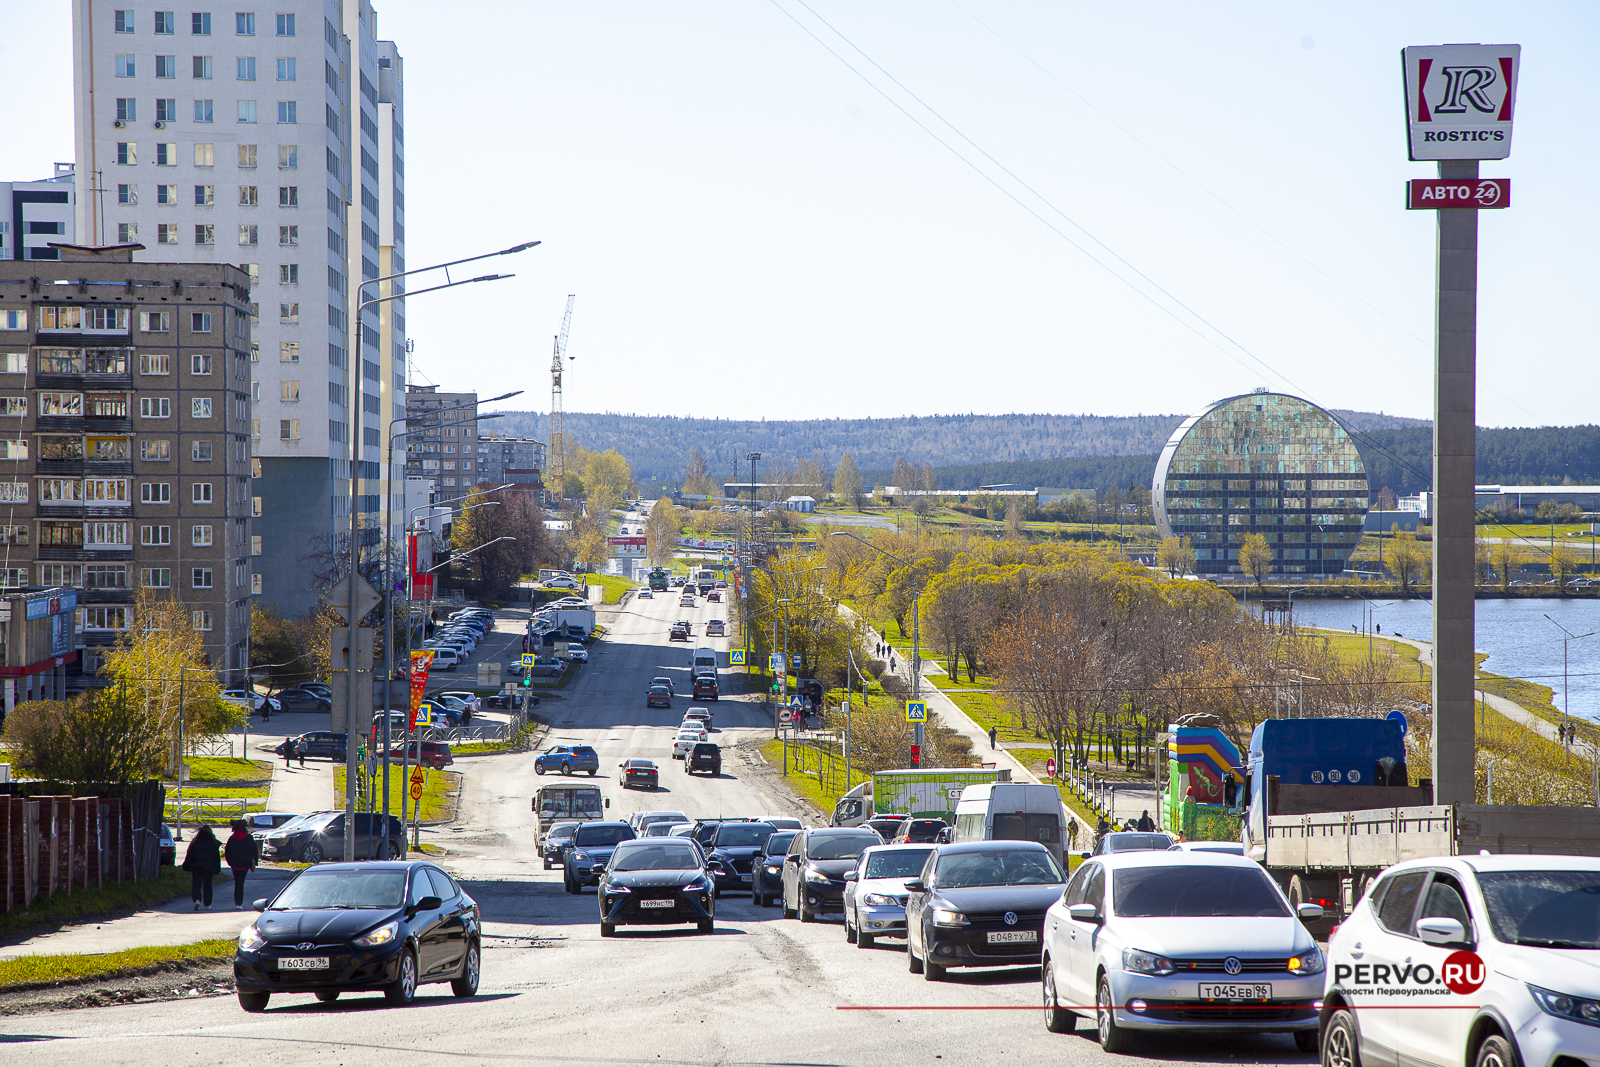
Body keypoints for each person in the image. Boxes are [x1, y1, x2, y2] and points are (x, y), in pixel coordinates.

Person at [182, 824, 222, 910]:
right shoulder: (213, 842)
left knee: (196, 884)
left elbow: (190, 855)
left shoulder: (196, 841)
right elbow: (216, 858)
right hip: (209, 867)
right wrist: (217, 870)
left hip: (197, 866)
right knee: (208, 885)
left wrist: (186, 865)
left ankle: (197, 900)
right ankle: (207, 904)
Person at [224, 819, 259, 909]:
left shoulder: (232, 838)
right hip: (245, 864)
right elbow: (254, 849)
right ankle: (239, 903)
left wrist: (229, 862)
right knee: (241, 882)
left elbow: (227, 851)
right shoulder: (248, 838)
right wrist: (255, 861)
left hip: (235, 865)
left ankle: (237, 903)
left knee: (237, 882)